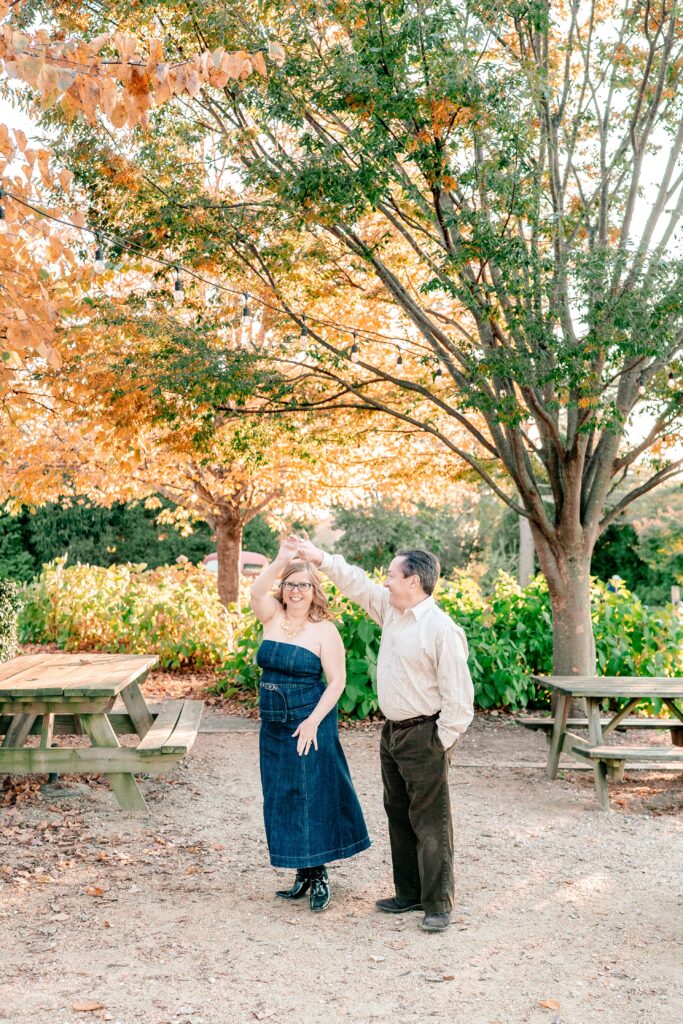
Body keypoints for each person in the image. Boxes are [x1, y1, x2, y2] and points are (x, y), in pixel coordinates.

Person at [295, 536, 474, 933]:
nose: (386, 581)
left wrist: (438, 743)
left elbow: (460, 701)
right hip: (392, 734)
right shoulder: (392, 611)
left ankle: (437, 904)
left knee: (431, 822)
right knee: (398, 815)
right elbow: (355, 583)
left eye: (392, 575)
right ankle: (408, 893)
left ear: (413, 581)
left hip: (424, 735)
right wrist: (320, 558)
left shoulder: (441, 630)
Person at [249, 536, 371, 913]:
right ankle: (301, 872)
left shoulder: (324, 631)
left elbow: (337, 682)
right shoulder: (271, 615)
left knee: (311, 795)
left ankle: (319, 874)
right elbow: (254, 591)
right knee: (282, 795)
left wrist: (313, 723)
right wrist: (280, 560)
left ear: (314, 590)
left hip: (309, 723)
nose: (296, 591)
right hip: (273, 726)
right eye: (290, 585)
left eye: (303, 585)